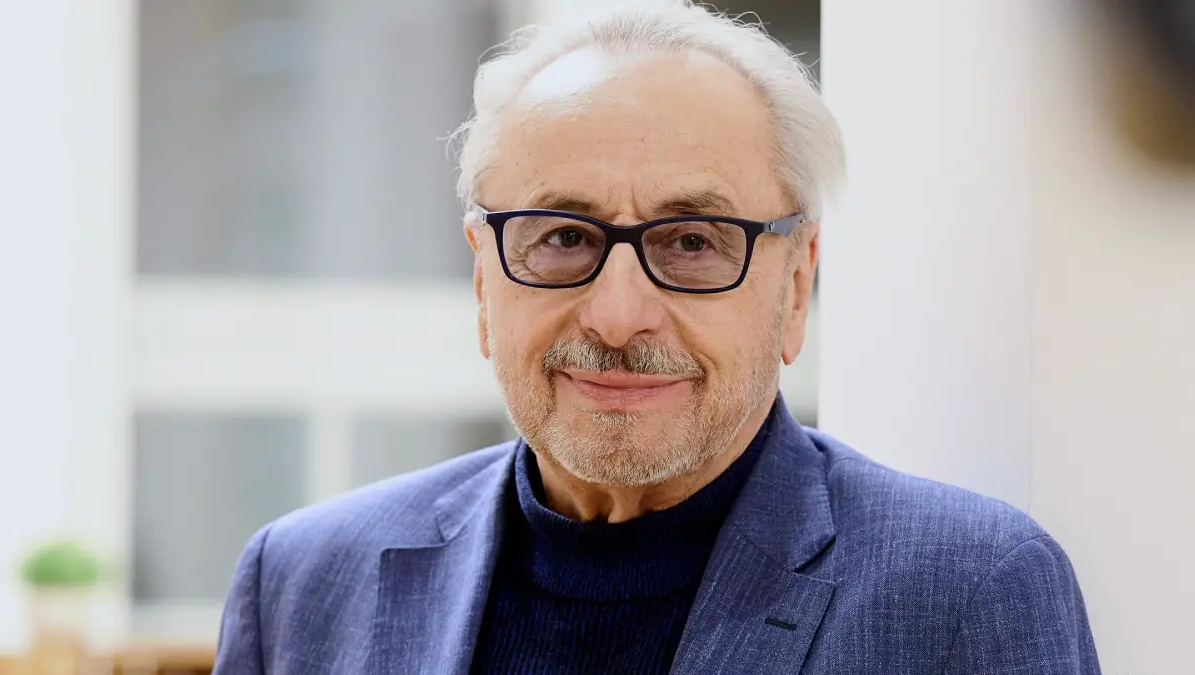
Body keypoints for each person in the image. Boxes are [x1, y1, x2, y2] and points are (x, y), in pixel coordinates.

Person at [213, 2, 1100, 673]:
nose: (618, 314)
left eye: (692, 242)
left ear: (796, 285)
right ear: (485, 281)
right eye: (564, 236)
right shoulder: (301, 584)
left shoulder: (968, 591)